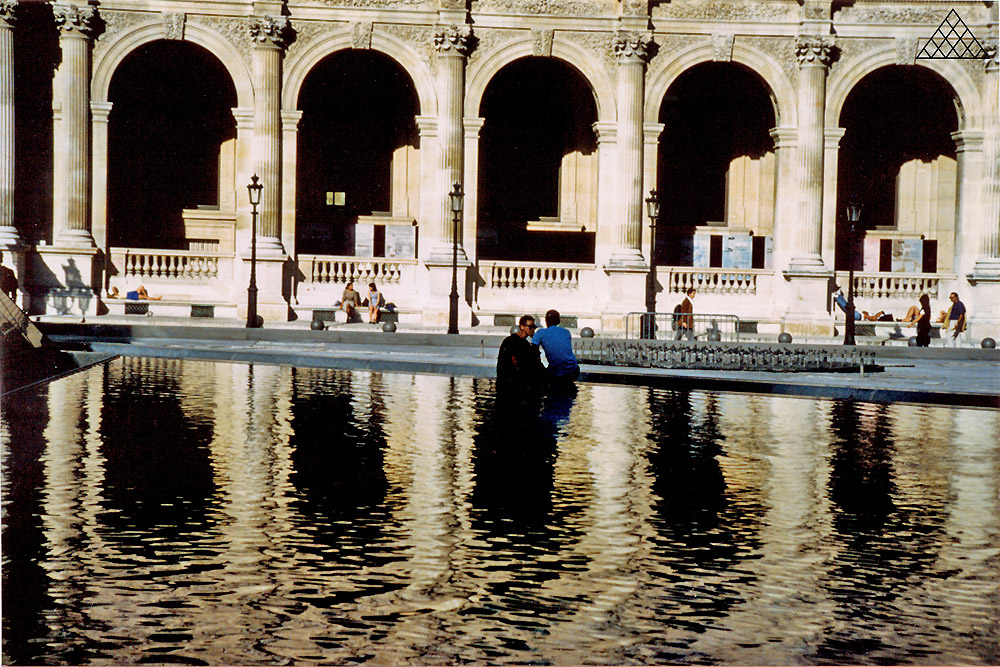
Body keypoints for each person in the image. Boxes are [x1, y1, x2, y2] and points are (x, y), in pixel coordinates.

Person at [496, 314, 544, 396]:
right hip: (515, 387)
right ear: (522, 327)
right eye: (530, 327)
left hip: (506, 385)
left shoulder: (510, 341)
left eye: (534, 327)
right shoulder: (519, 343)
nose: (533, 330)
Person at [531, 309, 580, 385]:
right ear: (559, 321)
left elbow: (533, 351)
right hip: (573, 370)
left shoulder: (540, 333)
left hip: (556, 372)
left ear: (546, 321)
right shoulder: (566, 332)